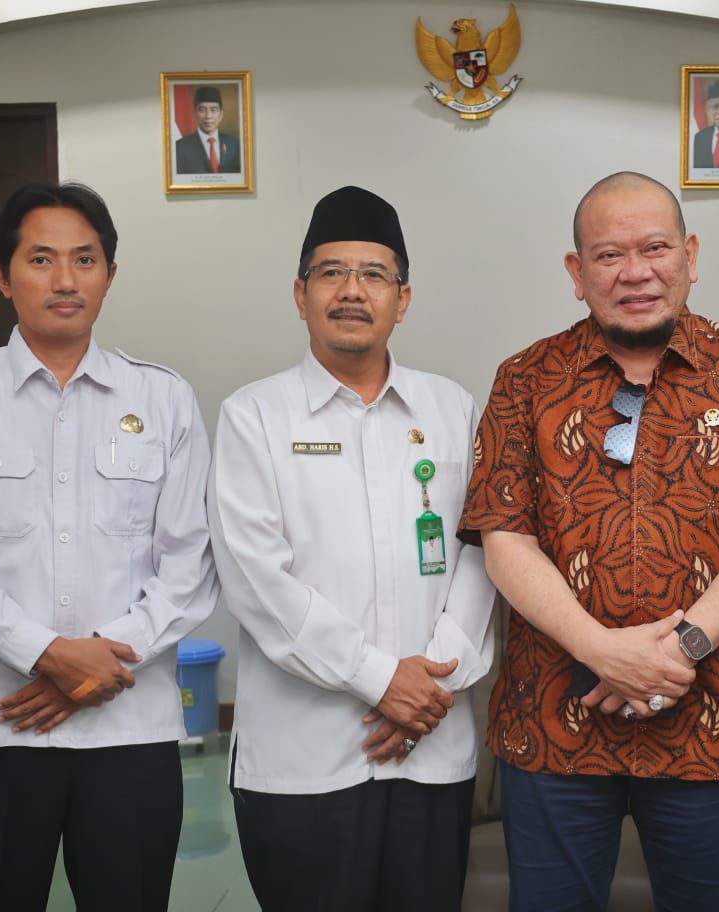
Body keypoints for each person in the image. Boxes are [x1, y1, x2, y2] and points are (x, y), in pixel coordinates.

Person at [460, 171, 719, 912]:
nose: (635, 272)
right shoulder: (525, 380)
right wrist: (603, 651)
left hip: (708, 720)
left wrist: (679, 649)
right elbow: (505, 540)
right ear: (577, 273)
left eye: (655, 248)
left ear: (690, 255)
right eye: (609, 255)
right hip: (556, 726)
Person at [0, 181, 218, 911]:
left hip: (128, 727)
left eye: (85, 259)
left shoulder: (163, 399)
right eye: (41, 259)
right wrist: (50, 655)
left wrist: (103, 660)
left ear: (109, 274)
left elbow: (190, 562)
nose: (65, 280)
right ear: (2, 276)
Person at [208, 185, 496, 912]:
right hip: (303, 762)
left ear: (403, 299)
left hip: (432, 746)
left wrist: (430, 684)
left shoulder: (451, 408)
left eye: (374, 275)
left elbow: (482, 553)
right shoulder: (254, 416)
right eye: (331, 272)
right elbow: (256, 581)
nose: (351, 291)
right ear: (299, 294)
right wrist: (380, 680)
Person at [174, 86, 241, 174]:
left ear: (221, 114)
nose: (208, 116)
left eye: (213, 110)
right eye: (202, 110)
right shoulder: (180, 147)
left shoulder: (234, 144)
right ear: (194, 113)